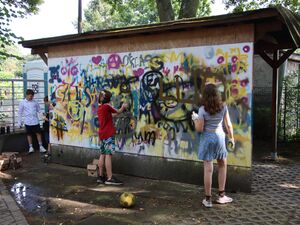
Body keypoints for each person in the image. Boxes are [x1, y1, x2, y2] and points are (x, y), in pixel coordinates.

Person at [192, 83, 234, 208]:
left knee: (208, 169)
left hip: (208, 138)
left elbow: (199, 129)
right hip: (220, 137)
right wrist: (231, 138)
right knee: (222, 165)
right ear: (217, 95)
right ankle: (222, 196)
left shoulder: (202, 110)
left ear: (205, 96)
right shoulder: (223, 107)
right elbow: (229, 125)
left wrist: (195, 119)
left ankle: (208, 199)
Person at [97, 90, 127, 185]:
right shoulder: (107, 106)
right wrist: (123, 107)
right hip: (108, 134)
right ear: (108, 99)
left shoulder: (101, 108)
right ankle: (110, 178)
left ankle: (100, 176)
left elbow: (111, 115)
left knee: (102, 154)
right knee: (108, 155)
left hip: (102, 134)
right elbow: (118, 111)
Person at [18, 89, 47, 153]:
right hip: (27, 121)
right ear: (27, 95)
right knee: (29, 134)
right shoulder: (22, 103)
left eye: (32, 96)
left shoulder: (35, 102)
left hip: (35, 121)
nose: (31, 97)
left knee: (38, 133)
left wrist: (43, 116)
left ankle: (41, 146)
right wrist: (19, 122)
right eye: (30, 96)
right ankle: (31, 147)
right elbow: (19, 113)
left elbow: (39, 110)